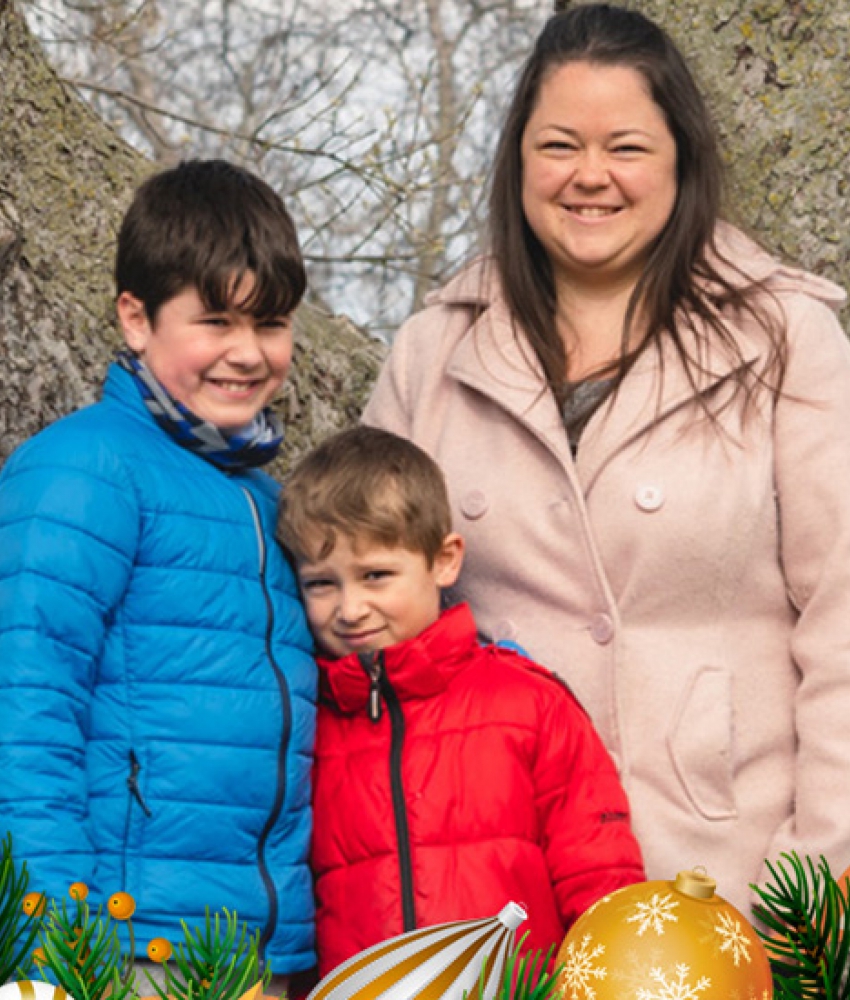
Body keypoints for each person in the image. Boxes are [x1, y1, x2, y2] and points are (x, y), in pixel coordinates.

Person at [362, 2, 850, 917]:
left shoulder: (788, 341)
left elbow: (843, 625)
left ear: (681, 160)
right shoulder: (431, 353)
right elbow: (362, 618)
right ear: (517, 163)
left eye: (625, 146)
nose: (590, 177)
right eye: (558, 146)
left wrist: (813, 886)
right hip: (492, 894)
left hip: (731, 879)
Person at [0, 160, 317, 974]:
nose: (248, 353)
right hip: (123, 947)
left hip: (258, 951)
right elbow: (24, 711)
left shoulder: (272, 502)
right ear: (136, 319)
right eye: (215, 321)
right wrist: (53, 951)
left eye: (272, 323)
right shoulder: (82, 469)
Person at [276, 425, 645, 976]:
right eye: (321, 584)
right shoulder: (307, 727)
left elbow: (601, 881)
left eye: (376, 575)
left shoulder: (529, 704)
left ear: (444, 560)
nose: (349, 608)